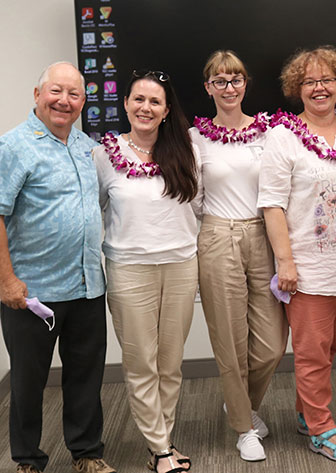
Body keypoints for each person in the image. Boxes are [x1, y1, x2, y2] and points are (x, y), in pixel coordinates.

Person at [0, 62, 115, 473]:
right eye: (55, 91)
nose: (64, 101)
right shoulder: (13, 146)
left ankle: (86, 452)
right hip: (31, 291)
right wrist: (7, 280)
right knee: (28, 382)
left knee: (86, 376)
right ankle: (28, 459)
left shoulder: (88, 146)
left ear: (83, 102)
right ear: (37, 95)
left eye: (74, 94)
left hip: (86, 285)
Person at [258, 46, 336, 462]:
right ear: (296, 89)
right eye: (309, 81)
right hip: (306, 269)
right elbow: (271, 204)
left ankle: (308, 412)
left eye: (327, 80)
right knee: (311, 354)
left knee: (328, 349)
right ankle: (322, 429)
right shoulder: (282, 136)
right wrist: (285, 262)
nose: (319, 87)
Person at [93, 70, 200, 473]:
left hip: (179, 266)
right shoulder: (104, 154)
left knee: (171, 362)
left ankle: (163, 441)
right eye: (139, 99)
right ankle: (158, 448)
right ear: (125, 104)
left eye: (155, 102)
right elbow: (94, 210)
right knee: (141, 363)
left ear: (166, 110)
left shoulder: (187, 149)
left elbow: (199, 204)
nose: (146, 108)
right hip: (129, 270)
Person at [189, 50, 287, 462]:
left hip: (262, 234)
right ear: (208, 87)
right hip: (218, 235)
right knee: (230, 339)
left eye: (235, 80)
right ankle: (246, 427)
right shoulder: (196, 138)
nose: (228, 88)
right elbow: (193, 199)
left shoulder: (270, 132)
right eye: (219, 81)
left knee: (270, 344)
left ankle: (238, 404)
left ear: (245, 84)